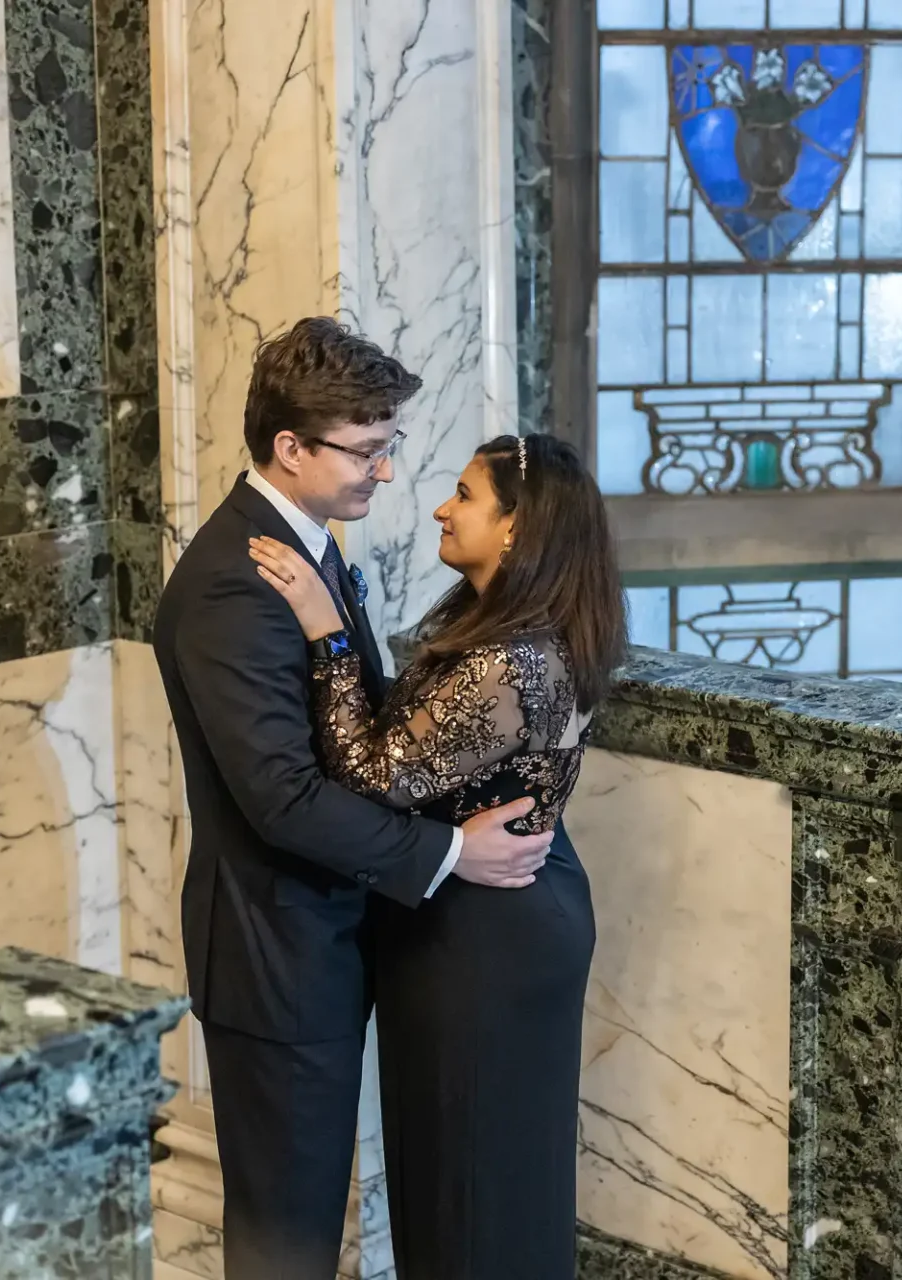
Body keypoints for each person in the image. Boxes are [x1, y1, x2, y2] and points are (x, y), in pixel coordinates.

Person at [151, 318, 556, 1279]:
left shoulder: (309, 548)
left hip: (328, 931)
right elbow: (283, 799)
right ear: (290, 449)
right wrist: (456, 853)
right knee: (284, 1236)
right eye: (366, 451)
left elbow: (355, 734)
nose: (385, 472)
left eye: (388, 447)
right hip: (276, 951)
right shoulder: (231, 586)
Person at [247, 429, 626, 1280]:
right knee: (465, 1175)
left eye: (465, 496)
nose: (440, 507)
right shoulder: (500, 625)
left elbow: (374, 773)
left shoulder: (518, 661)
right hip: (491, 905)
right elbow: (414, 746)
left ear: (517, 530)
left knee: (473, 1186)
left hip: (489, 933)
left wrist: (325, 630)